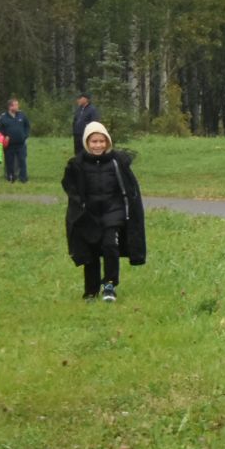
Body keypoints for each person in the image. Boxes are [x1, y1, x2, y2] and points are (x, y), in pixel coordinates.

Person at [61, 120, 147, 302]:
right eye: (94, 141)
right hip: (89, 215)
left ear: (107, 142)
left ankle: (109, 284)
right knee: (90, 252)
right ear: (87, 143)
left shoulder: (117, 162)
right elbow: (70, 187)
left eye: (102, 141)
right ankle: (91, 291)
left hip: (113, 212)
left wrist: (129, 211)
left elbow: (129, 188)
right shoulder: (78, 164)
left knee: (110, 246)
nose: (98, 145)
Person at [0, 97, 31, 183]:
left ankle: (23, 179)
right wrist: (5, 137)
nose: (18, 106)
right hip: (9, 145)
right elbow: (0, 130)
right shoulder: (3, 117)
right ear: (10, 107)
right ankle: (11, 178)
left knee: (22, 161)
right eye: (16, 105)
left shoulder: (22, 115)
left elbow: (27, 126)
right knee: (9, 162)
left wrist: (25, 136)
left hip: (21, 144)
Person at [71, 92, 101, 157]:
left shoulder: (92, 109)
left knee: (86, 150)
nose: (77, 100)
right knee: (77, 150)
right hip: (77, 134)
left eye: (79, 98)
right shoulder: (78, 109)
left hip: (86, 134)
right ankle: (78, 162)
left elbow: (95, 122)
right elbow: (75, 120)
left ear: (85, 99)